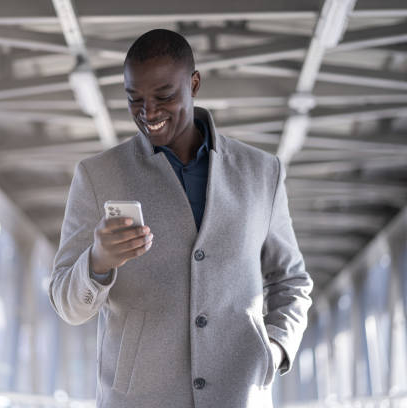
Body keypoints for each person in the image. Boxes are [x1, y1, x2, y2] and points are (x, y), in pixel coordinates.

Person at [49, 29, 313, 408]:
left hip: (239, 397)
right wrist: (97, 262)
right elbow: (66, 302)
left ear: (194, 83)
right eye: (134, 99)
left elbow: (292, 280)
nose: (148, 112)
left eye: (164, 96)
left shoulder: (261, 173)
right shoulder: (97, 176)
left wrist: (274, 350)